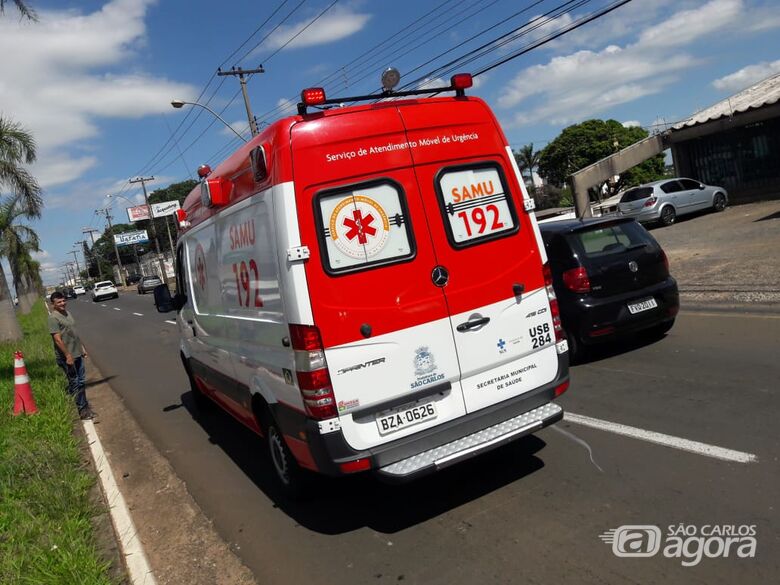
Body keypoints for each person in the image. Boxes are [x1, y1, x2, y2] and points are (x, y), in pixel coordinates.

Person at [48, 291, 94, 420]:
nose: (62, 303)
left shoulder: (67, 313)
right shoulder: (53, 318)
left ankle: (84, 406)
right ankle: (82, 410)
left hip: (77, 353)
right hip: (66, 356)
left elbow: (74, 333)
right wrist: (67, 355)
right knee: (75, 382)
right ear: (53, 304)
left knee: (81, 381)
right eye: (59, 302)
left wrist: (82, 348)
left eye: (63, 301)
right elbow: (57, 339)